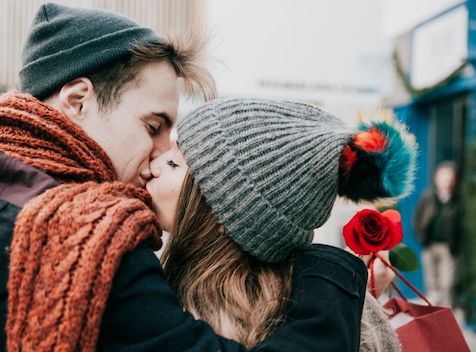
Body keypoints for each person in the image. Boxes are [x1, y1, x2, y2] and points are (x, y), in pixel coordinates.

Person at [0, 4, 368, 352]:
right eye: (154, 126)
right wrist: (324, 276)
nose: (162, 153)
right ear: (77, 101)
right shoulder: (93, 252)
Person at [147, 98, 418, 351]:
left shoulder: (195, 324)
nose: (153, 165)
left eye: (173, 163)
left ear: (228, 215)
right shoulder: (317, 311)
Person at [413, 160, 461, 307]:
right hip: (430, 246)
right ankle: (433, 316)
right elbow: (417, 218)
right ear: (436, 178)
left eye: (449, 176)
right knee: (431, 283)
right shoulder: (428, 197)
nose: (446, 180)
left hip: (448, 248)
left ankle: (445, 316)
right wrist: (422, 238)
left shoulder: (457, 199)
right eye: (443, 176)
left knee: (446, 284)